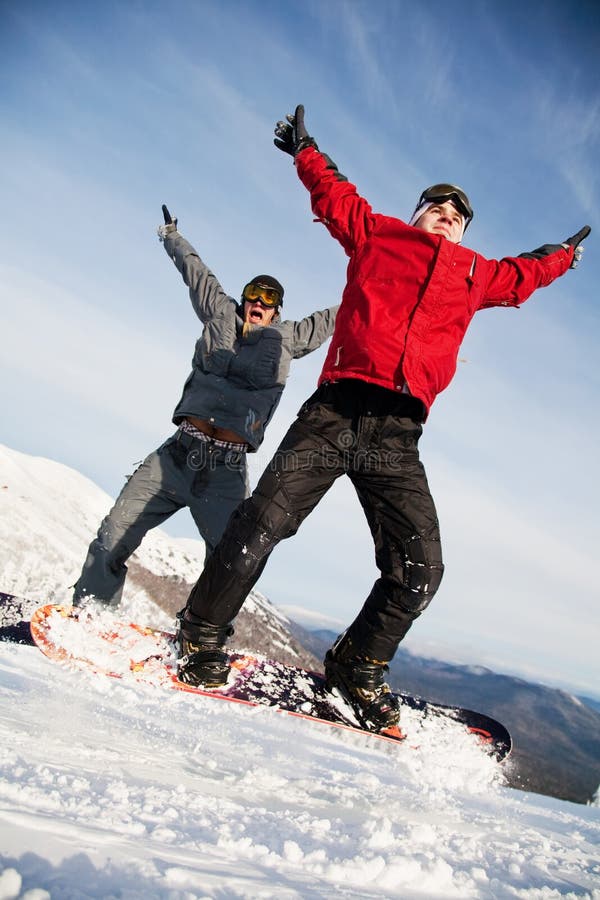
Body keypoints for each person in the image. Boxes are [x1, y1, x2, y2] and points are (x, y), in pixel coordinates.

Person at [175, 106, 591, 731]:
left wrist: (563, 253)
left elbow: (528, 271)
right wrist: (306, 150)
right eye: (436, 208)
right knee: (261, 523)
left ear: (462, 231)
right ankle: (201, 634)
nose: (446, 217)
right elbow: (334, 192)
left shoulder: (478, 274)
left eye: (457, 216)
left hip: (398, 434)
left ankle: (358, 663)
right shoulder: (378, 234)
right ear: (418, 213)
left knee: (421, 568)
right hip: (336, 411)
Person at [73, 204, 338, 608]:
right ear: (245, 298)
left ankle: (198, 639)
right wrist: (171, 235)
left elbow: (338, 316)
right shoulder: (219, 312)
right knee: (113, 533)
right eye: (254, 293)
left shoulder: (287, 338)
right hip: (177, 456)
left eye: (269, 299)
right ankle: (89, 611)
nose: (259, 302)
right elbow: (195, 272)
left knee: (227, 565)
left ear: (276, 311)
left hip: (226, 472)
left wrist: (382, 288)